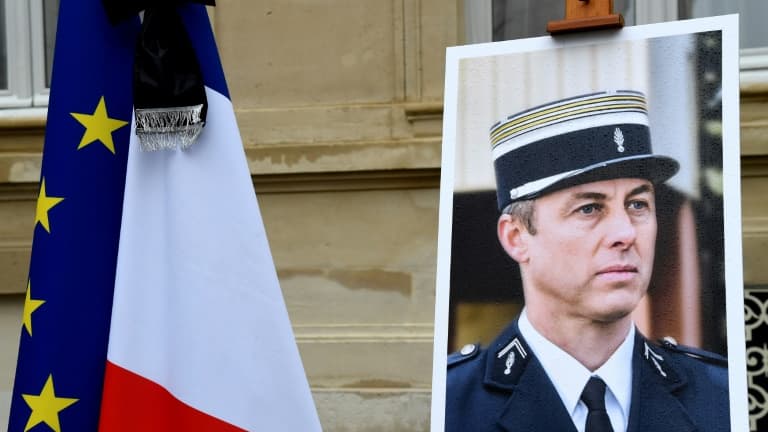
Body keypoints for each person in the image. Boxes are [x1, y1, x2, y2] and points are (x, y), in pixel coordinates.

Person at [445, 90, 730, 432]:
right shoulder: (451, 404)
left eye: (638, 204)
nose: (625, 233)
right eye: (589, 208)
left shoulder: (720, 396)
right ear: (516, 238)